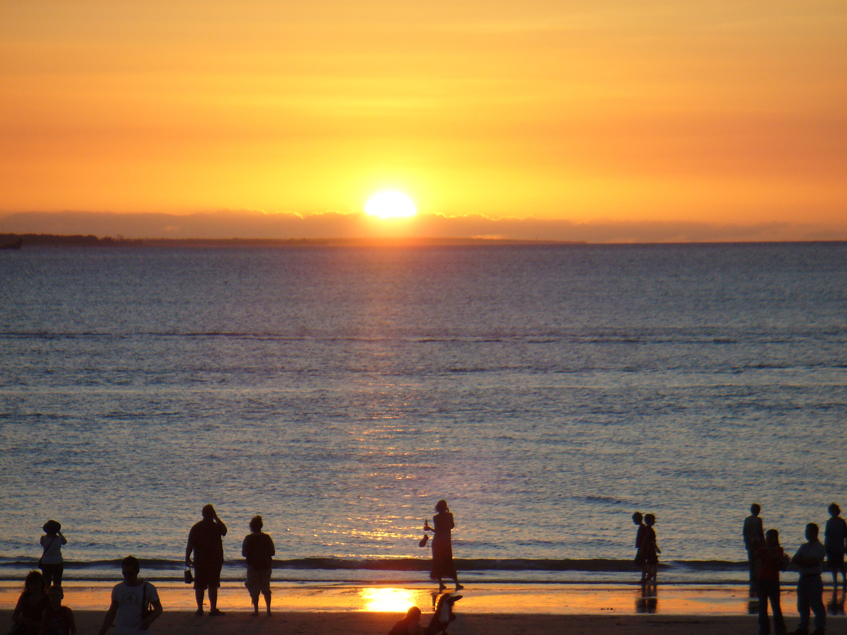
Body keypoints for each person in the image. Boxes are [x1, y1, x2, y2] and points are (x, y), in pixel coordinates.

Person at [97, 556, 162, 635]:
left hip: (140, 632)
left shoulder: (148, 588)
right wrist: (101, 632)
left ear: (137, 571)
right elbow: (112, 612)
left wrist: (149, 619)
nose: (127, 576)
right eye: (125, 573)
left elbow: (158, 608)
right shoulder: (118, 589)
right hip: (120, 631)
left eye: (130, 573)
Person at [185, 504, 228, 616]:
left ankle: (200, 609)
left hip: (201, 560)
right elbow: (224, 530)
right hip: (214, 560)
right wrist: (216, 517)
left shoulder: (196, 527)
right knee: (213, 585)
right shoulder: (215, 526)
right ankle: (212, 609)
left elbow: (190, 544)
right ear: (212, 514)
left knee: (200, 585)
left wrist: (187, 557)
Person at [791, 523, 826, 635]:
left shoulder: (820, 547)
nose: (806, 533)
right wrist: (804, 562)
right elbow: (795, 559)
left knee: (816, 605)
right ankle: (803, 627)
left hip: (814, 578)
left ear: (814, 532)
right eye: (806, 531)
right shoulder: (804, 546)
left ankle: (820, 628)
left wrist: (802, 562)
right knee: (802, 605)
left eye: (808, 531)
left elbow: (812, 562)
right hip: (803, 577)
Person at [424, 500, 463, 591]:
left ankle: (441, 584)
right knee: (448, 562)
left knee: (438, 562)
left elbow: (437, 531)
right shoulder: (449, 515)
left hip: (438, 542)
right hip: (445, 542)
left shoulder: (436, 518)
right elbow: (452, 526)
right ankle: (456, 584)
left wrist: (429, 528)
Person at [757, 529, 789, 635]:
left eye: (771, 538)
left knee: (775, 606)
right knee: (762, 606)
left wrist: (765, 547)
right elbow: (754, 555)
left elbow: (773, 558)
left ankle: (780, 629)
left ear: (776, 539)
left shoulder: (779, 550)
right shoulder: (763, 549)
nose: (769, 540)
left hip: (773, 581)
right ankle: (764, 629)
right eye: (768, 537)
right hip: (762, 579)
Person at [241, 515, 275, 616]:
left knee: (254, 588)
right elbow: (272, 552)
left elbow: (244, 553)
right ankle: (268, 610)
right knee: (266, 588)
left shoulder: (248, 539)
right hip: (266, 566)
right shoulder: (267, 538)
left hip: (253, 567)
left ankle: (256, 610)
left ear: (252, 527)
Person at [12, 571, 49, 635]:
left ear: (42, 583)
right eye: (32, 584)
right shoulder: (25, 596)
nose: (34, 587)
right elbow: (15, 616)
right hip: (25, 627)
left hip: (41, 629)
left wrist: (41, 624)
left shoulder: (47, 598)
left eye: (36, 584)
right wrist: (24, 620)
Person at [825, 503, 847, 591]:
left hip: (839, 547)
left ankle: (844, 580)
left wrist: (845, 546)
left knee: (840, 565)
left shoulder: (842, 522)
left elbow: (845, 535)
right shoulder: (829, 522)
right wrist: (826, 547)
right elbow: (827, 535)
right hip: (831, 546)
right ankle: (835, 583)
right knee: (833, 566)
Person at [744, 504, 766, 595]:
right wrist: (764, 544)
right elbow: (760, 532)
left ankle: (752, 580)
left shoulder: (747, 519)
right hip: (757, 543)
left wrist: (746, 542)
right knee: (758, 563)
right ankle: (757, 580)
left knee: (751, 563)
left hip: (750, 543)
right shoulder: (758, 520)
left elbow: (744, 532)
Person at [39, 520, 67, 588]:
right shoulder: (59, 539)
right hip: (57, 561)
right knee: (57, 582)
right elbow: (64, 542)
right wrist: (59, 533)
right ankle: (56, 596)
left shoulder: (43, 538)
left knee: (46, 583)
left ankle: (46, 596)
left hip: (46, 561)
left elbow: (42, 544)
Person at [642, 514, 660, 585]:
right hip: (651, 550)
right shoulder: (651, 531)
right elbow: (653, 541)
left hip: (646, 549)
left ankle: (644, 578)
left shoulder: (645, 529)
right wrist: (657, 548)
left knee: (648, 564)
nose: (654, 521)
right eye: (653, 520)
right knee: (654, 564)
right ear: (650, 521)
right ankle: (654, 579)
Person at [632, 512, 647, 585]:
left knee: (638, 562)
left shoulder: (642, 528)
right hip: (641, 547)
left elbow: (643, 538)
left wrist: (641, 548)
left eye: (634, 520)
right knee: (642, 562)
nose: (633, 521)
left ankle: (648, 573)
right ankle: (643, 578)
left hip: (642, 547)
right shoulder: (642, 527)